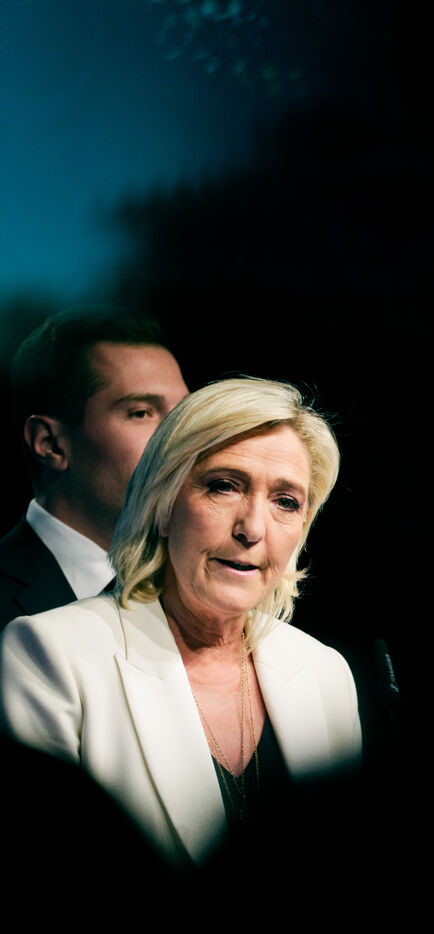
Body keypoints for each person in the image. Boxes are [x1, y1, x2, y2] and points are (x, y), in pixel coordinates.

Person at [0, 376, 362, 868]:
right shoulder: (51, 654)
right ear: (164, 505)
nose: (252, 529)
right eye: (224, 486)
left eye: (285, 501)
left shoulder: (325, 672)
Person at [0, 304, 188, 627]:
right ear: (50, 443)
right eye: (141, 412)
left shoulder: (195, 589)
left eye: (184, 412)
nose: (182, 433)